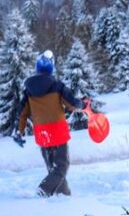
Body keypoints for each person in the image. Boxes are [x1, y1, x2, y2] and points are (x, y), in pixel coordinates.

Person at [13, 50, 85, 197]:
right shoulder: (57, 86)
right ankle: (44, 190)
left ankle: (63, 195)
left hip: (42, 134)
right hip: (58, 131)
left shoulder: (29, 91)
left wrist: (18, 132)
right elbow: (72, 104)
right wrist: (83, 104)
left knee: (53, 169)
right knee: (61, 167)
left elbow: (22, 114)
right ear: (52, 68)